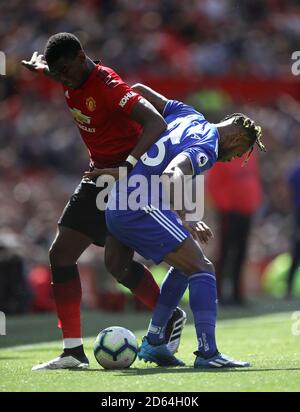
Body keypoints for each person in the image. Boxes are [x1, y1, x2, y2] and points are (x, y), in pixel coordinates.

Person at [22, 33, 186, 371]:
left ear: (82, 56)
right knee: (61, 253)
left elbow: (155, 122)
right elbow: (58, 73)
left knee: (117, 265)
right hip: (98, 178)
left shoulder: (108, 85)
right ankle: (72, 352)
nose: (64, 78)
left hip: (127, 180)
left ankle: (168, 315)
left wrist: (125, 168)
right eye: (59, 73)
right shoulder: (66, 71)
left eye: (66, 70)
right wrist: (42, 68)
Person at [89, 84, 266, 368]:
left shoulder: (188, 113)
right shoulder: (207, 145)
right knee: (203, 268)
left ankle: (156, 342)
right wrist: (189, 216)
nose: (232, 159)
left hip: (122, 197)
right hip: (138, 205)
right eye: (239, 152)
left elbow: (137, 90)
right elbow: (173, 174)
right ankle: (208, 353)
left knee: (187, 265)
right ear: (236, 138)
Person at [207, 154, 262, 305]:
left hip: (246, 211)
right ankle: (219, 294)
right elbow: (213, 185)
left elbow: (254, 179)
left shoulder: (250, 156)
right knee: (225, 253)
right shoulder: (224, 158)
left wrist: (254, 201)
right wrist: (226, 206)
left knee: (241, 253)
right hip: (229, 213)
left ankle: (237, 294)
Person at [286, 162, 300, 298]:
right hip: (299, 214)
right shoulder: (297, 169)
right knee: (296, 252)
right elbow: (289, 189)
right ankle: (288, 288)